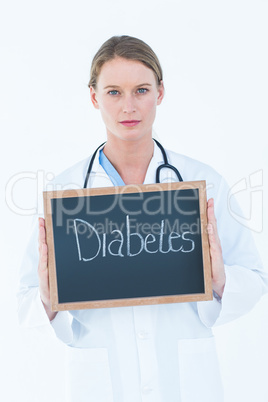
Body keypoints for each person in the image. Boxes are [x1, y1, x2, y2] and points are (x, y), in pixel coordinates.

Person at [18, 35, 268, 402]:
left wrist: (221, 279)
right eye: (114, 92)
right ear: (94, 97)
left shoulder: (202, 183)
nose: (129, 106)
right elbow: (26, 302)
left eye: (141, 89)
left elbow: (255, 277)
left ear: (160, 93)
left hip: (186, 380)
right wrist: (46, 297)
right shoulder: (66, 192)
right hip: (102, 381)